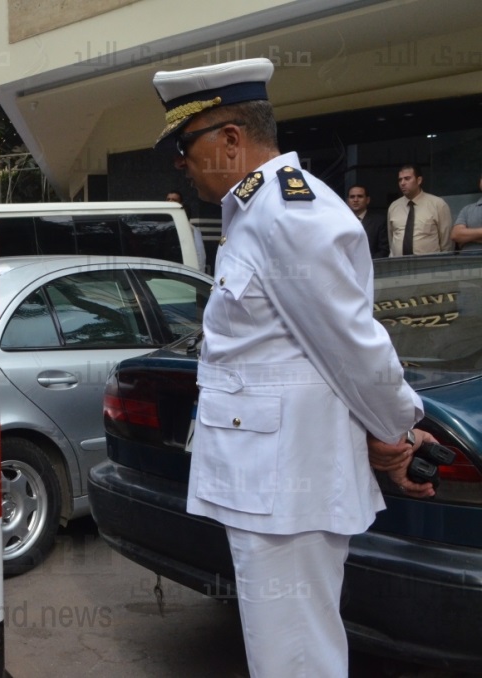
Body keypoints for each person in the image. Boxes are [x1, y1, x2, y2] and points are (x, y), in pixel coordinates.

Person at [152, 57, 435, 676]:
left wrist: (396, 429)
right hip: (271, 483)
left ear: (231, 138)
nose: (181, 163)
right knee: (284, 653)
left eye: (185, 145)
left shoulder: (287, 213)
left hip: (287, 486)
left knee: (293, 659)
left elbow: (351, 345)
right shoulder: (257, 212)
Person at [386, 164, 453, 256]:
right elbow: (391, 239)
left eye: (407, 178)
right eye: (400, 180)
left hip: (428, 263)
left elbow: (447, 242)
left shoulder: (437, 204)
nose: (402, 183)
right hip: (399, 262)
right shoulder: (394, 207)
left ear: (419, 180)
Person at [166, 190, 207, 271]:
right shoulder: (161, 225)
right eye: (168, 199)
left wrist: (199, 273)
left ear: (181, 204)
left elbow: (200, 255)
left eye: (174, 200)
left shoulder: (190, 229)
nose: (170, 202)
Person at [347, 185, 389, 258]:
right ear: (348, 201)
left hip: (372, 263)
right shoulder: (342, 221)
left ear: (367, 200)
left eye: (360, 196)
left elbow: (384, 250)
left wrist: (368, 262)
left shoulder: (379, 221)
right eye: (352, 197)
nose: (355, 200)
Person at [451, 173, 482, 252]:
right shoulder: (467, 210)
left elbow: (462, 236)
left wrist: (469, 238)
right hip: (468, 259)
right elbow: (456, 235)